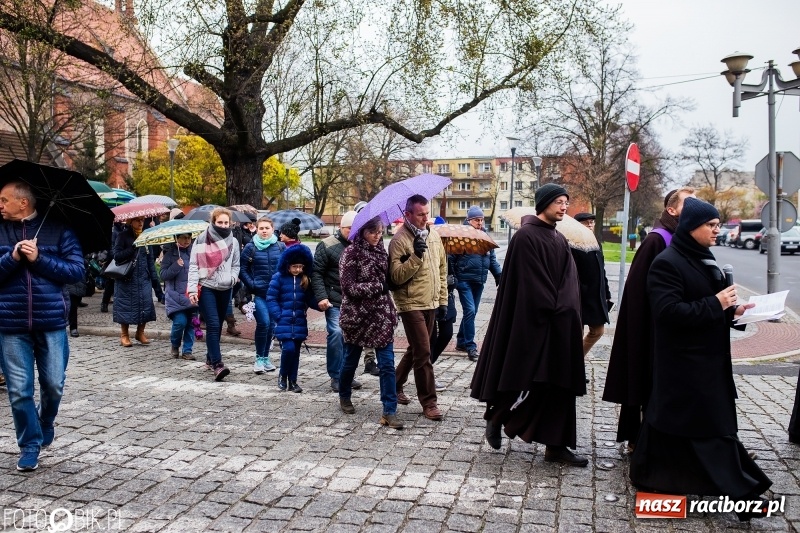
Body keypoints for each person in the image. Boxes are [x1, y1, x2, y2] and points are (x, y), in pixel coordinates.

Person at [630, 198, 772, 521]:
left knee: (668, 429)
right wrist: (717, 303)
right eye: (711, 225)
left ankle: (648, 475)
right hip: (686, 368)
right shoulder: (667, 263)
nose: (716, 230)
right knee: (712, 434)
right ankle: (745, 497)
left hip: (707, 365)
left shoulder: (703, 259)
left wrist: (734, 313)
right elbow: (668, 314)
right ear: (692, 227)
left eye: (718, 224)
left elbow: (712, 309)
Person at [470, 183, 587, 466]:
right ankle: (497, 417)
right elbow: (532, 285)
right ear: (544, 203)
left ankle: (555, 445)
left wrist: (570, 308)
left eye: (566, 202)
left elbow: (568, 278)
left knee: (558, 384)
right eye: (558, 201)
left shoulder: (558, 238)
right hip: (533, 322)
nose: (564, 207)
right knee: (524, 376)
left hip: (559, 323)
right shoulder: (525, 237)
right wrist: (557, 307)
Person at [0, 181, 85, 471]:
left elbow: (76, 272)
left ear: (23, 202)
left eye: (4, 200)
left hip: (51, 322)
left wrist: (39, 259)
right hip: (10, 324)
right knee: (19, 390)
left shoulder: (60, 229)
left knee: (53, 385)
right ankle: (29, 444)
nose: (0, 205)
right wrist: (12, 258)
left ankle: (45, 420)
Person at [602, 187, 695, 452]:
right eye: (688, 203)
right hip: (650, 329)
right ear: (671, 209)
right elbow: (638, 293)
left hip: (668, 328)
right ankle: (639, 440)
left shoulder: (680, 237)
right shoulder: (657, 240)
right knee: (644, 383)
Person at [338, 216, 403, 428]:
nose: (377, 235)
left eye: (380, 231)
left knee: (387, 365)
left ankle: (389, 410)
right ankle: (344, 394)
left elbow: (390, 280)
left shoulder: (382, 251)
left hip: (381, 315)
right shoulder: (351, 253)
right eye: (372, 231)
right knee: (350, 360)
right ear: (362, 232)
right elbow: (349, 288)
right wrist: (377, 287)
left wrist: (410, 258)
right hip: (357, 316)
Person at [388, 195, 447, 421]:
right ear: (408, 214)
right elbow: (396, 276)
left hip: (431, 301)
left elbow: (442, 268)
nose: (425, 218)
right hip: (410, 302)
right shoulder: (400, 240)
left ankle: (394, 385)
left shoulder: (433, 234)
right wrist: (416, 255)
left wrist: (443, 301)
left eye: (427, 213)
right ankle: (429, 402)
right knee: (424, 351)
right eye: (421, 214)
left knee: (416, 349)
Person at [312, 211, 367, 392]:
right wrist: (321, 297)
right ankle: (336, 375)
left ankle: (347, 374)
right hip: (334, 299)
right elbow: (317, 273)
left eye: (356, 228)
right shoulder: (327, 245)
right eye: (349, 228)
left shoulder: (362, 246)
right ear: (341, 227)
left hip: (355, 300)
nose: (352, 232)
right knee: (336, 333)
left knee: (352, 338)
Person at [188, 208, 240, 382]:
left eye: (226, 223)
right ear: (213, 222)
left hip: (226, 287)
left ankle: (210, 358)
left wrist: (232, 278)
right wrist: (193, 289)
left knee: (217, 325)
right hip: (207, 285)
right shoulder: (202, 239)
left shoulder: (233, 240)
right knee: (213, 323)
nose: (224, 226)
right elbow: (194, 266)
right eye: (220, 222)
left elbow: (236, 265)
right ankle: (218, 364)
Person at [451, 206, 501, 362]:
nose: (479, 223)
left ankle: (461, 341)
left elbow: (492, 259)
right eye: (476, 220)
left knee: (471, 313)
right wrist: (453, 277)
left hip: (479, 281)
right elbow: (451, 258)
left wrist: (499, 276)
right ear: (469, 220)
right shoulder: (461, 237)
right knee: (470, 311)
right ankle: (471, 347)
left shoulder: (485, 237)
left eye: (481, 220)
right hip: (464, 280)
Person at [267, 244, 318, 393]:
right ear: (287, 265)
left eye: (300, 267)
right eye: (294, 266)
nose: (297, 270)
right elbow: (271, 298)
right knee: (288, 349)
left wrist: (320, 305)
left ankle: (293, 381)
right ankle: (283, 375)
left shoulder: (305, 280)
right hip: (284, 321)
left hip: (299, 322)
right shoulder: (279, 278)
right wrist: (278, 315)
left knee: (295, 353)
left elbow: (309, 299)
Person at [240, 216, 285, 374]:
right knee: (264, 323)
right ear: (256, 229)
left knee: (272, 326)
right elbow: (242, 269)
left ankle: (266, 358)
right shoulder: (250, 247)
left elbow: (286, 267)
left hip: (275, 295)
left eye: (267, 228)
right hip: (259, 294)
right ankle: (259, 358)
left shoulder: (280, 247)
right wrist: (252, 284)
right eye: (261, 228)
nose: (264, 231)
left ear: (272, 229)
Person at [570, 213, 612, 358]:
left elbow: (602, 270)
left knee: (598, 331)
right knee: (575, 335)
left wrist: (606, 294)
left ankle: (575, 363)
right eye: (586, 222)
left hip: (595, 297)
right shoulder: (571, 245)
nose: (590, 225)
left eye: (592, 222)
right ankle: (572, 370)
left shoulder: (596, 243)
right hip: (578, 297)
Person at [112, 216, 158, 347]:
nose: (140, 223)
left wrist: (155, 283)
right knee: (126, 306)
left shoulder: (146, 237)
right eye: (138, 220)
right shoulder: (122, 236)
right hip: (127, 277)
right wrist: (133, 247)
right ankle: (124, 335)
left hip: (143, 277)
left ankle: (140, 332)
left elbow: (150, 261)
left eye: (142, 220)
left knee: (145, 304)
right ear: (130, 222)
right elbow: (117, 256)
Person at [160, 233, 198, 360]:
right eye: (184, 237)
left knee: (191, 324)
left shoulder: (194, 253)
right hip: (175, 297)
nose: (187, 240)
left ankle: (187, 351)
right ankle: (175, 345)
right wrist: (176, 265)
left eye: (189, 237)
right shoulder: (170, 254)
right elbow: (163, 275)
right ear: (177, 238)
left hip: (192, 295)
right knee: (180, 322)